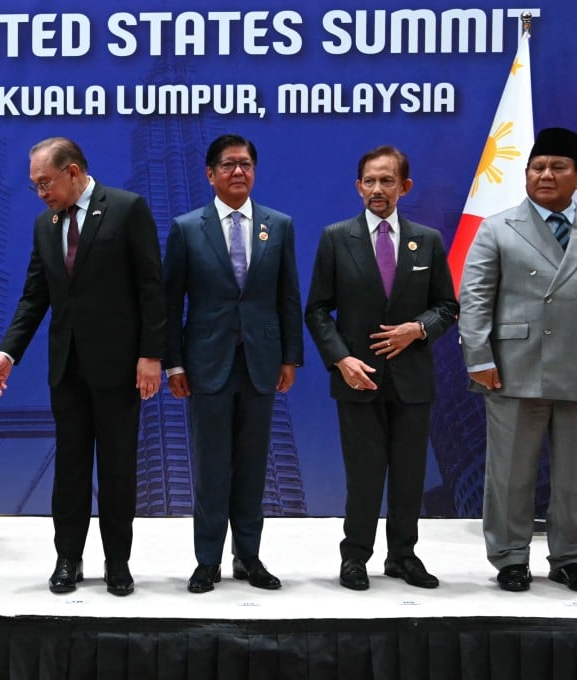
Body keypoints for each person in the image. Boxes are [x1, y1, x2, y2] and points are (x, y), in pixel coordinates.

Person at [0, 137, 165, 596]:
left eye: (45, 183)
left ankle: (117, 563)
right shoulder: (46, 226)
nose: (41, 193)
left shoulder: (126, 208)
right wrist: (7, 352)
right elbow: (34, 298)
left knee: (119, 468)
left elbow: (151, 288)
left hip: (120, 366)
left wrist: (151, 355)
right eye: (34, 186)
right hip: (67, 368)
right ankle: (68, 558)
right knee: (70, 467)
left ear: (74, 171)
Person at [304, 146, 457, 591]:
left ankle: (403, 557)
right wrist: (340, 358)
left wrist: (419, 328)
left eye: (387, 181)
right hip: (358, 378)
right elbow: (317, 310)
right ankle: (354, 557)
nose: (377, 189)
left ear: (404, 187)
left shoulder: (426, 239)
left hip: (412, 379)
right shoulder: (337, 237)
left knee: (409, 475)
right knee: (364, 475)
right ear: (358, 187)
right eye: (369, 181)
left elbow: (447, 306)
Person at [163, 134, 303, 594]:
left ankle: (249, 557)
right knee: (211, 468)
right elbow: (170, 303)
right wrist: (174, 364)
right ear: (210, 174)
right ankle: (208, 562)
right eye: (228, 165)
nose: (238, 172)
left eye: (245, 164)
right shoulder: (187, 228)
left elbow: (287, 296)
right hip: (206, 365)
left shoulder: (278, 225)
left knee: (252, 466)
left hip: (261, 363)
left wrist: (290, 357)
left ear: (255, 171)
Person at [458, 127, 577, 593]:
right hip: (511, 367)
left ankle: (569, 556)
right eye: (537, 167)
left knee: (573, 474)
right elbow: (474, 298)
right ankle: (510, 557)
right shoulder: (497, 226)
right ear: (525, 175)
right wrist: (478, 358)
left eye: (558, 167)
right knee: (509, 472)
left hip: (574, 365)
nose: (546, 175)